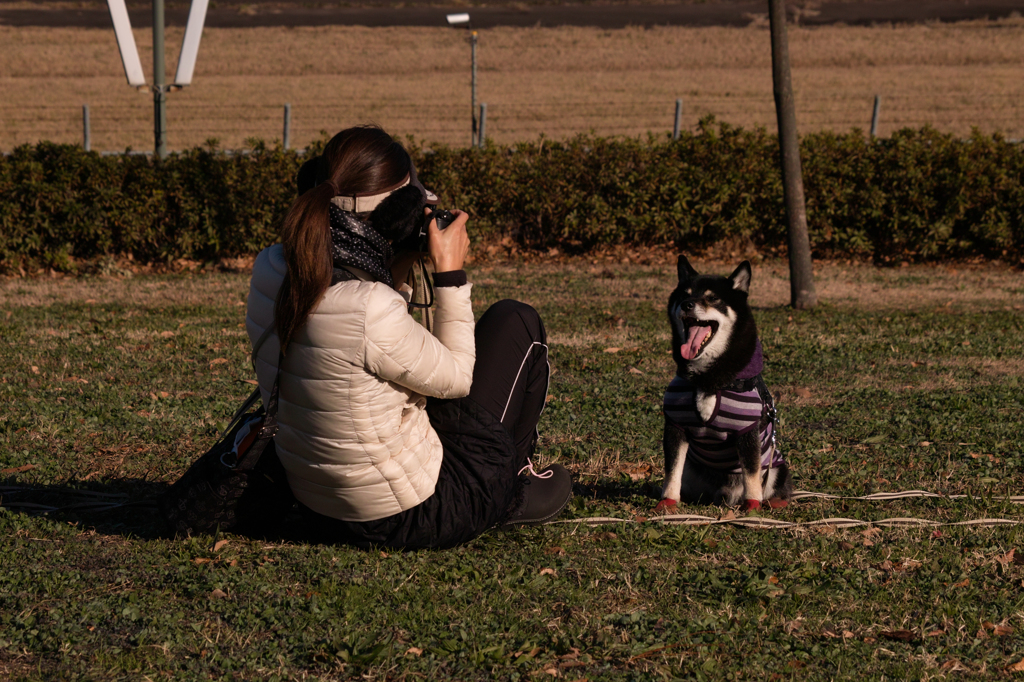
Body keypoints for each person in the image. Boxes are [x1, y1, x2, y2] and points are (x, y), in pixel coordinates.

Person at [244, 125, 572, 549]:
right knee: (517, 321)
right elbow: (455, 379)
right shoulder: (369, 308)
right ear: (397, 213)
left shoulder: (273, 269)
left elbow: (374, 344)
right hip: (405, 517)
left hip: (316, 507)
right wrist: (449, 275)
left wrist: (397, 257)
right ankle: (511, 484)